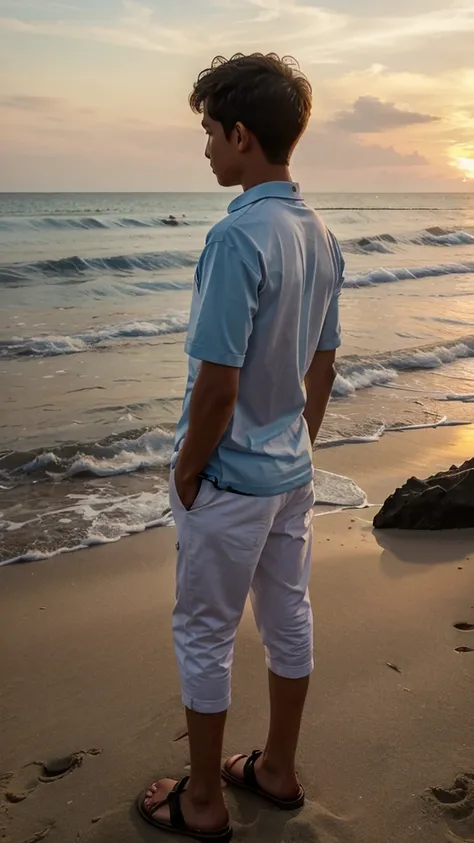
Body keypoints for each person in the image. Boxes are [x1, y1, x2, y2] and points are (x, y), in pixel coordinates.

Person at [137, 53, 344, 842]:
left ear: (243, 136)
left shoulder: (236, 240)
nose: (206, 150)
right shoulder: (320, 235)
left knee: (204, 631)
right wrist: (297, 445)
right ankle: (277, 769)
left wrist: (191, 470)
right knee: (289, 615)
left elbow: (217, 387)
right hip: (290, 472)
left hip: (229, 479)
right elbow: (322, 363)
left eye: (211, 133)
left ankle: (201, 801)